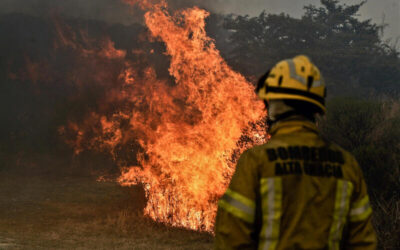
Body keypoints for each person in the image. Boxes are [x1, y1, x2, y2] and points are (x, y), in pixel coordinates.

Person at [214, 55, 377, 250]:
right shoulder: (346, 165)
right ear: (317, 107)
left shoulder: (257, 161)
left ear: (274, 106)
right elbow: (363, 242)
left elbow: (231, 235)